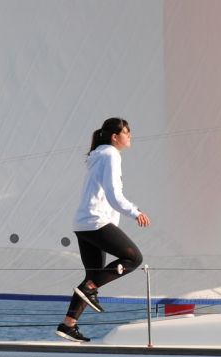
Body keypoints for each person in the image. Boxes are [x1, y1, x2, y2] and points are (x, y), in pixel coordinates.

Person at [56, 117, 151, 342]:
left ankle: (68, 325)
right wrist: (135, 212)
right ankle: (89, 288)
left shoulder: (99, 155)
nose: (130, 136)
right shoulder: (110, 154)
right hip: (95, 221)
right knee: (133, 258)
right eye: (126, 132)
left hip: (83, 223)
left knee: (93, 276)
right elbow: (113, 194)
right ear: (114, 137)